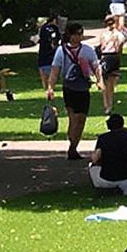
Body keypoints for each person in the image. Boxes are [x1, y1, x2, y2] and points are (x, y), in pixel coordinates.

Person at [52, 22, 99, 159]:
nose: (79, 37)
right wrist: (51, 87)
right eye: (76, 34)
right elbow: (55, 70)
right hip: (69, 88)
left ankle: (73, 147)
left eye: (81, 34)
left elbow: (96, 66)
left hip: (83, 87)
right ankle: (72, 146)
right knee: (73, 118)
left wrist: (99, 80)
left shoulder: (88, 50)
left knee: (82, 119)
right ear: (70, 35)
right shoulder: (61, 51)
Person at [90, 115, 127, 197]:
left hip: (105, 178)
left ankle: (101, 190)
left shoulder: (102, 138)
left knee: (91, 166)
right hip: (126, 178)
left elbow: (95, 158)